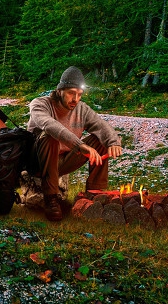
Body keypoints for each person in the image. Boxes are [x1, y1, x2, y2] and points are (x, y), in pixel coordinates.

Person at [27, 66, 123, 222]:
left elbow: (100, 125)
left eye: (79, 95)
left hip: (64, 161)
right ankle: (51, 199)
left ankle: (94, 193)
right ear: (60, 91)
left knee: (101, 139)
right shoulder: (40, 104)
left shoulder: (81, 109)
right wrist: (79, 145)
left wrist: (113, 142)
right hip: (37, 162)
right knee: (49, 136)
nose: (75, 99)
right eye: (71, 93)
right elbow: (50, 125)